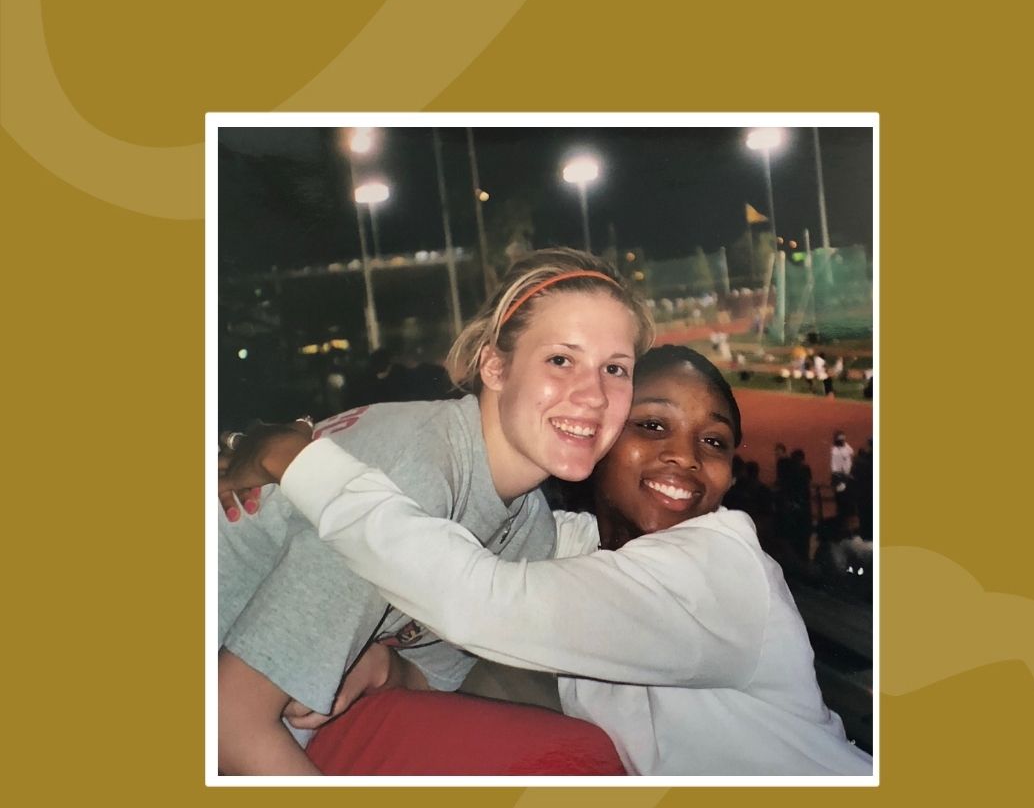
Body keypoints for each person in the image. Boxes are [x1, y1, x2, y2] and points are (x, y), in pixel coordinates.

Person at [230, 346, 871, 776]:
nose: (686, 456)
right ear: (599, 437)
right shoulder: (580, 550)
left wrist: (295, 460)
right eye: (652, 426)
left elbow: (477, 600)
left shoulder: (717, 567)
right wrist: (391, 671)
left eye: (715, 441)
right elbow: (468, 558)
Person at [217, 248, 654, 775]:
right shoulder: (415, 471)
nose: (594, 396)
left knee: (576, 756)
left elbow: (430, 674)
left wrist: (384, 667)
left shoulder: (528, 526)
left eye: (615, 369)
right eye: (561, 360)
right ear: (495, 366)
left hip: (279, 723)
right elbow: (228, 722)